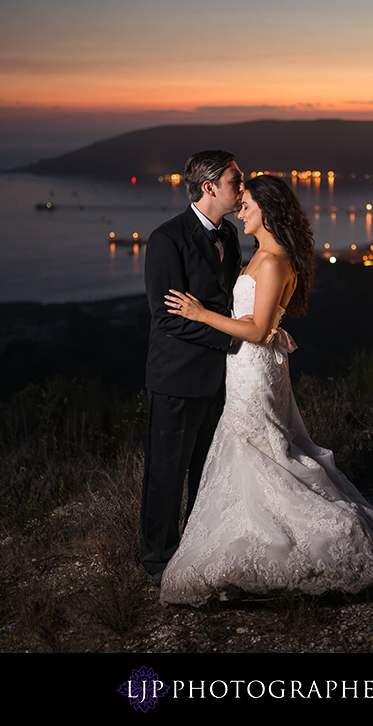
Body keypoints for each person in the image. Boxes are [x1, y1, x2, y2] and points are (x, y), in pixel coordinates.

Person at [160, 174, 373, 606]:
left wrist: (200, 315)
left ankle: (290, 538)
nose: (241, 209)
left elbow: (256, 330)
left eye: (249, 204)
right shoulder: (262, 253)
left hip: (254, 368)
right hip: (242, 368)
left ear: (269, 211)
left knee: (264, 446)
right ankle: (249, 528)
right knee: (252, 447)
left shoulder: (273, 262)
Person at [140, 150, 244, 587]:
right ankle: (157, 559)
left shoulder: (233, 235)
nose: (243, 187)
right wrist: (232, 338)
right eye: (236, 180)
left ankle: (197, 545)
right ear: (209, 187)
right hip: (177, 378)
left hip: (220, 378)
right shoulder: (166, 239)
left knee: (207, 467)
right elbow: (167, 317)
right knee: (167, 470)